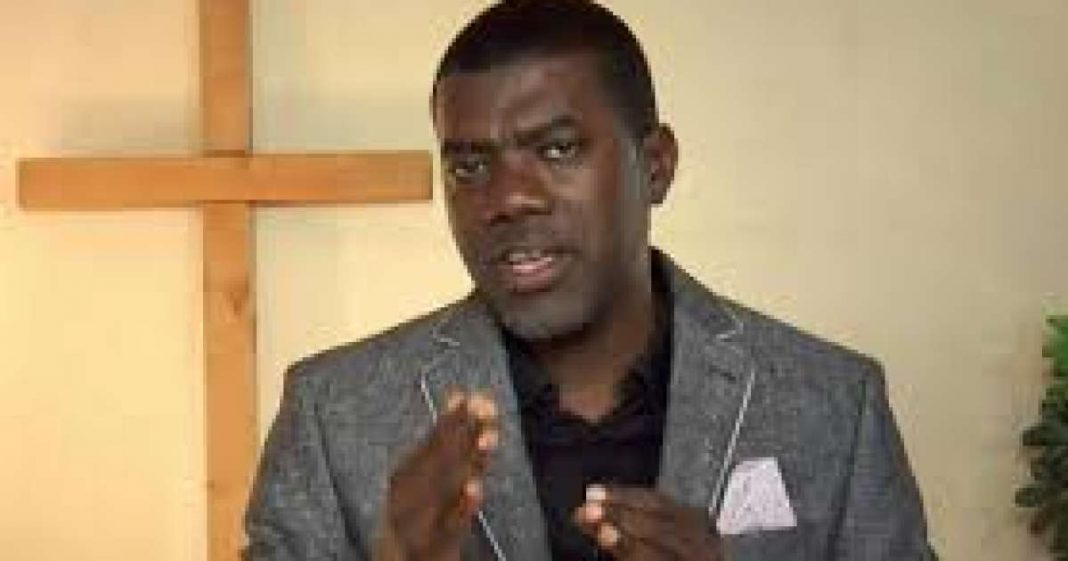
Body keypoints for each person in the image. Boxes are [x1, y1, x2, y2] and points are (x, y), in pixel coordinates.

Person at [243, 1, 932, 560]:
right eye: (469, 167)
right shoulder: (333, 414)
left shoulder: (832, 405)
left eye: (557, 148)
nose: (508, 198)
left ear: (655, 166)